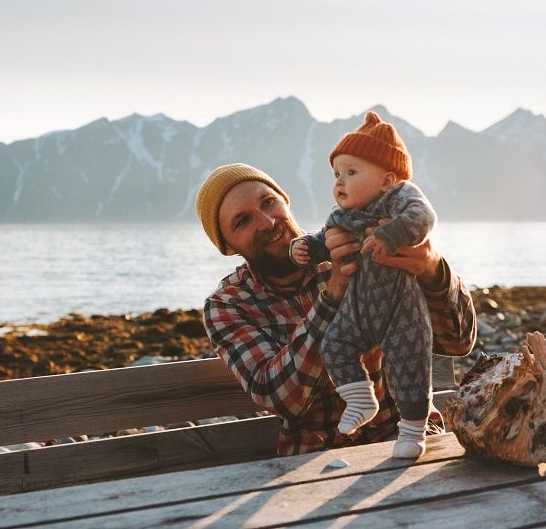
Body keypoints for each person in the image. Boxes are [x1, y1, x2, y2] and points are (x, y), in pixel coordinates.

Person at [195, 160, 476, 457]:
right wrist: (334, 293)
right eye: (243, 221)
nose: (267, 222)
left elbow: (458, 342)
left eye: (268, 202)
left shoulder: (360, 240)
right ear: (227, 247)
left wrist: (432, 269)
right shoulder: (228, 304)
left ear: (285, 201)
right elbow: (279, 397)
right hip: (314, 461)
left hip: (407, 442)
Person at [290, 111, 437, 458]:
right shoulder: (342, 216)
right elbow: (324, 239)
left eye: (351, 173)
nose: (340, 182)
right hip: (357, 307)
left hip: (400, 309)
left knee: (409, 367)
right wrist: (306, 248)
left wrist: (393, 234)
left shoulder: (398, 198)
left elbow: (423, 216)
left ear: (388, 180)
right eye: (337, 174)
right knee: (336, 344)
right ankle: (359, 399)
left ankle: (413, 432)